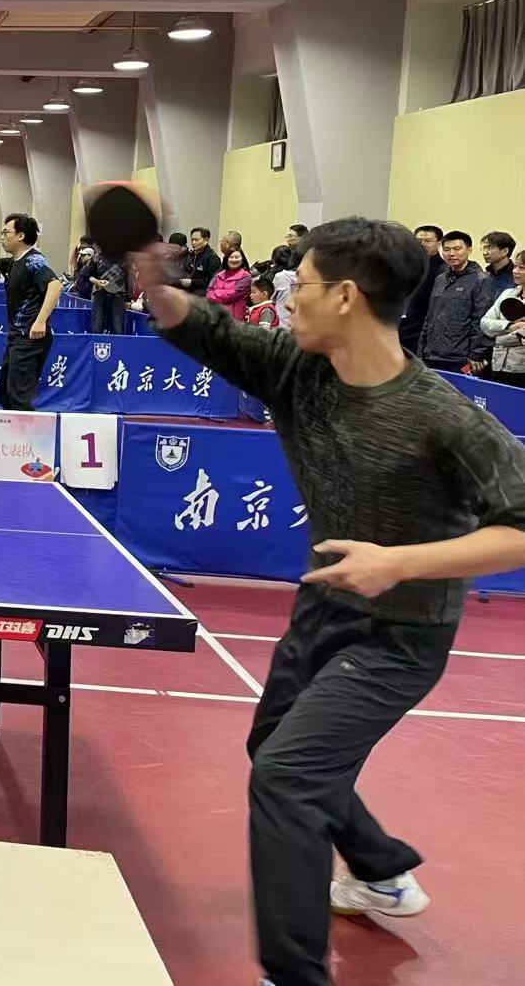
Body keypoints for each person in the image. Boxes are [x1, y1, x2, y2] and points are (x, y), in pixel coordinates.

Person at [137, 216, 525, 986]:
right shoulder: (297, 368)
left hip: (401, 634)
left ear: (346, 296)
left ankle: (293, 973)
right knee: (276, 749)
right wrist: (150, 273)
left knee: (286, 774)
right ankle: (379, 867)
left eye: (303, 286)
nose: (288, 301)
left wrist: (400, 561)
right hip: (323, 610)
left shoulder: (441, 415)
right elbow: (201, 324)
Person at [0, 212, 64, 411]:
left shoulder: (34, 260)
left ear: (21, 236)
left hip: (31, 338)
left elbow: (55, 285)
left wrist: (40, 321)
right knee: (6, 395)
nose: (2, 237)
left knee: (18, 398)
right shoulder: (13, 262)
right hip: (17, 337)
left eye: (6, 232)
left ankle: (28, 431)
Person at [418, 231, 490, 373]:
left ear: (469, 250)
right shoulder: (440, 279)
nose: (451, 254)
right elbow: (430, 317)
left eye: (457, 249)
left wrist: (476, 353)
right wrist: (421, 351)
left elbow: (480, 319)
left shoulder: (481, 279)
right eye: (446, 249)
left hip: (460, 357)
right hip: (431, 354)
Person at [397, 224, 445, 354]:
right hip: (398, 327)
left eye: (428, 241)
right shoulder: (404, 265)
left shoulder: (443, 270)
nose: (422, 244)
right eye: (418, 241)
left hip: (421, 331)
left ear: (439, 243)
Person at [480, 253, 525, 386]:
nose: (515, 271)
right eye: (515, 266)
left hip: (521, 369)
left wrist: (498, 339)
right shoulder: (507, 293)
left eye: (522, 268)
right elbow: (485, 322)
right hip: (498, 365)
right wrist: (510, 326)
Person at [88, 248, 129, 334]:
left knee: (118, 328)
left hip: (118, 296)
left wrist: (129, 298)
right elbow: (87, 275)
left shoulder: (125, 259)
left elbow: (129, 279)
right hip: (100, 294)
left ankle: (118, 342)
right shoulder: (97, 257)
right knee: (97, 326)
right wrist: (96, 281)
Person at [206, 247, 253, 321]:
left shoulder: (246, 276)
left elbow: (233, 295)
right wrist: (221, 293)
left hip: (234, 318)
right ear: (226, 259)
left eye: (237, 257)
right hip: (215, 315)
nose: (234, 260)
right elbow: (209, 292)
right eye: (231, 257)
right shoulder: (219, 275)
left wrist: (216, 292)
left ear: (242, 259)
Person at [179, 226, 220, 295]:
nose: (193, 243)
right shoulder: (192, 255)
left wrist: (192, 282)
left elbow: (211, 281)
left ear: (206, 240)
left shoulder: (212, 258)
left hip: (203, 291)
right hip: (190, 287)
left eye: (196, 240)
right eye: (192, 240)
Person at [269, 244, 301, 329]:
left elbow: (271, 297)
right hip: (298, 316)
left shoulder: (279, 276)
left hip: (281, 316)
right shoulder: (301, 275)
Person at [480, 230, 516, 302]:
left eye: (489, 248)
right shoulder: (482, 277)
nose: (485, 252)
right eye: (484, 248)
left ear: (505, 251)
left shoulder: (517, 277)